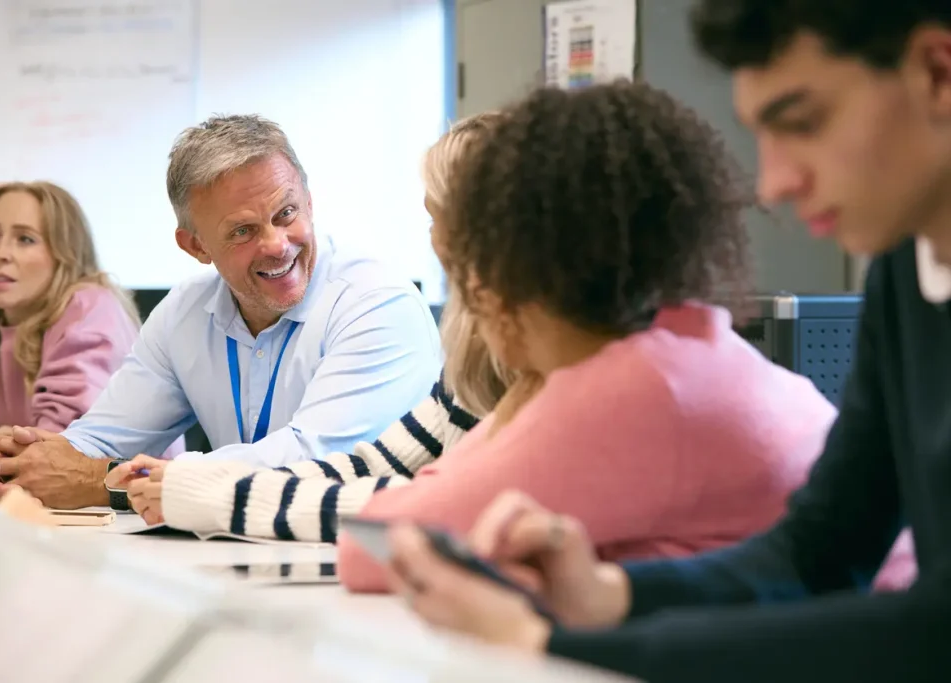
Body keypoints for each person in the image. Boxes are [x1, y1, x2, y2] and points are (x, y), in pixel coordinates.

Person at [385, 2, 951, 682]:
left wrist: (552, 647)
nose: (773, 181)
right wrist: (608, 595)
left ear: (937, 74)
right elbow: (818, 550)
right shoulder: (904, 272)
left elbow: (933, 626)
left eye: (802, 122)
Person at [340, 79, 853, 595]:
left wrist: (517, 408)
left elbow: (373, 546)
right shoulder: (683, 346)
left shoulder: (631, 392)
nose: (470, 284)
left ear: (517, 264)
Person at [0, 114, 442, 511]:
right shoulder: (184, 313)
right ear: (195, 246)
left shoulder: (378, 301)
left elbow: (314, 461)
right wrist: (21, 460)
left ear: (310, 204)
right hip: (244, 556)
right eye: (242, 231)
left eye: (287, 214)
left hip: (376, 567)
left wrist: (103, 482)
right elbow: (103, 436)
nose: (277, 245)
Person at [107, 113, 533, 539]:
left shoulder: (567, 373)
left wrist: (204, 493)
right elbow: (371, 469)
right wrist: (197, 490)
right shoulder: (480, 357)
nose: (436, 244)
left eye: (442, 222)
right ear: (195, 245)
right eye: (433, 223)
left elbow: (447, 507)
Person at [0, 181, 146, 480]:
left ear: (63, 254)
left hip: (130, 501)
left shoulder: (90, 307)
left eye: (25, 239)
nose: (0, 253)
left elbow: (60, 449)